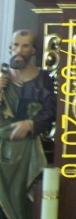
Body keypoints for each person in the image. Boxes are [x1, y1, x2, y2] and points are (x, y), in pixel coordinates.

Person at [0, 29, 56, 219]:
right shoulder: (1, 76)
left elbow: (51, 112)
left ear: (33, 50)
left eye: (25, 46)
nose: (18, 50)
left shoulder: (43, 79)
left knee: (23, 202)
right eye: (16, 45)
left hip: (28, 150)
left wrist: (31, 124)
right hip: (1, 146)